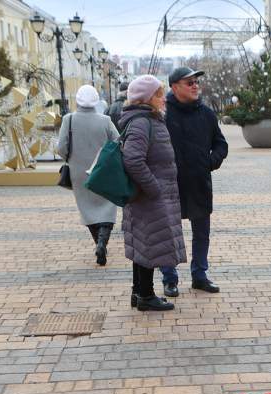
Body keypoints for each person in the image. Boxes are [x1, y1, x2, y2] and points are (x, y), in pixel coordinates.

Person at [159, 66, 228, 297]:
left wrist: (209, 162)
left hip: (199, 182)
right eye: (189, 83)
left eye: (196, 82)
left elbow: (221, 144)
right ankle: (170, 278)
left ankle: (200, 275)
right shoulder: (163, 114)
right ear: (174, 86)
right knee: (169, 233)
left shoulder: (206, 114)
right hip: (170, 185)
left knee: (201, 233)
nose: (195, 86)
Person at [119, 75, 186, 312]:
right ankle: (146, 295)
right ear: (146, 98)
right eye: (159, 95)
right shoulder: (142, 122)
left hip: (148, 196)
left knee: (143, 244)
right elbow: (133, 159)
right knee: (149, 245)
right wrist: (154, 187)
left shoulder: (147, 119)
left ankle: (139, 292)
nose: (164, 99)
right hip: (149, 197)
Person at [56, 85, 119, 265]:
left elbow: (61, 147)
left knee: (87, 208)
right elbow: (118, 142)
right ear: (96, 100)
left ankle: (98, 243)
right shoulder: (105, 120)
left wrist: (73, 158)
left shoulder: (68, 120)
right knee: (107, 205)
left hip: (78, 171)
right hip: (103, 169)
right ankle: (102, 241)